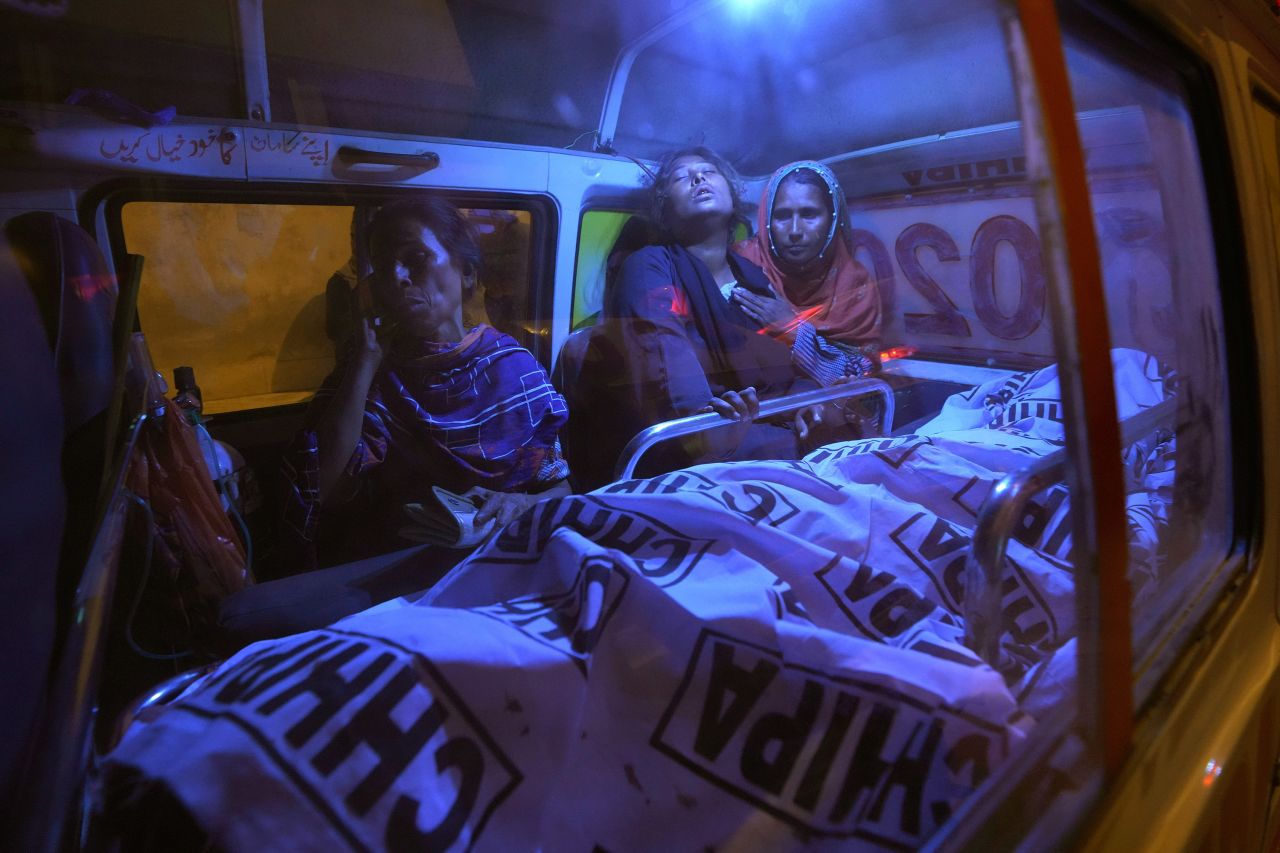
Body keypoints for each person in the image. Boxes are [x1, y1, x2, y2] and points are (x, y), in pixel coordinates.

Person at [280, 197, 571, 573]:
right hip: (392, 567)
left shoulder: (514, 369)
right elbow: (325, 486)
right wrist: (366, 358)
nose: (397, 278)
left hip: (493, 560)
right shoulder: (371, 373)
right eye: (383, 270)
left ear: (465, 271)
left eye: (415, 260)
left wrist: (521, 505)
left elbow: (561, 489)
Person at [595, 146, 827, 479]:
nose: (698, 178)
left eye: (708, 172)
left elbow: (786, 375)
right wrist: (708, 429)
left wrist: (809, 407)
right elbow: (665, 369)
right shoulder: (650, 267)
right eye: (681, 177)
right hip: (699, 451)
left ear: (732, 196)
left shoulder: (754, 279)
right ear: (665, 210)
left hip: (771, 434)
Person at [732, 160, 881, 380]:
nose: (794, 230)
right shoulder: (739, 265)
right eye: (782, 216)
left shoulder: (855, 284)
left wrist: (794, 331)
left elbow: (860, 379)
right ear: (767, 221)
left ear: (832, 219)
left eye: (809, 214)